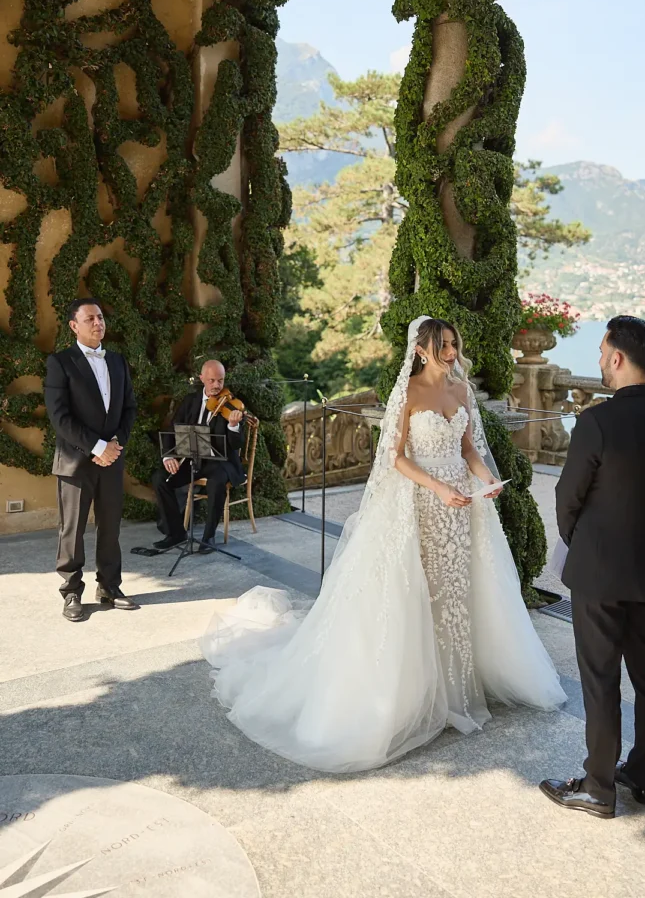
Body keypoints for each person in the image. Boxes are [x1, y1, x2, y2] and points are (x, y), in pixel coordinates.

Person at [200, 315, 565, 773]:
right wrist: (435, 487)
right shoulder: (408, 394)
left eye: (453, 344)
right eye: (442, 345)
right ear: (420, 349)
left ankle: (456, 686)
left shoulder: (461, 390)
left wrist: (488, 479)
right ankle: (417, 693)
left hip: (462, 505)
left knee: (457, 591)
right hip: (422, 502)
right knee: (421, 591)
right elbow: (393, 458)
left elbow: (470, 449)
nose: (451, 352)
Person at [540, 316, 645, 819]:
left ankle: (599, 786)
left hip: (599, 569)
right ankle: (642, 777)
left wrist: (579, 543)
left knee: (600, 677)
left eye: (603, 351)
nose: (600, 360)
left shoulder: (597, 421)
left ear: (618, 358)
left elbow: (567, 499)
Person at [44, 298, 138, 621]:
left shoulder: (118, 361)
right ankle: (71, 593)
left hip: (111, 461)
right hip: (75, 462)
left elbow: (129, 409)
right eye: (90, 319)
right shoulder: (60, 363)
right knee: (73, 530)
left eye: (100, 317)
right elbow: (60, 417)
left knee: (110, 527)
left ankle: (110, 587)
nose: (98, 323)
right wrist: (97, 446)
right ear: (74, 326)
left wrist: (115, 444)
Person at [152, 360, 245, 552]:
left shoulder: (230, 405)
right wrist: (168, 456)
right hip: (192, 459)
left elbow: (236, 445)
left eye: (220, 380)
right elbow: (173, 429)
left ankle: (208, 537)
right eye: (212, 380)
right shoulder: (190, 401)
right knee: (160, 479)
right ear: (202, 378)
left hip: (220, 462)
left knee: (216, 482)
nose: (217, 386)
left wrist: (234, 426)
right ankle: (176, 533)